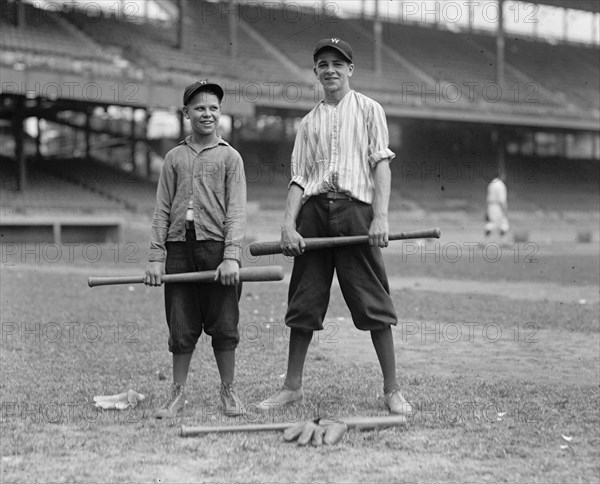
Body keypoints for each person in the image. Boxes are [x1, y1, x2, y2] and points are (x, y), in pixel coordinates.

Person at [258, 38, 411, 415]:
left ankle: (392, 389)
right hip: (314, 215)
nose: (330, 70)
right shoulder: (308, 122)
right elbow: (298, 180)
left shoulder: (370, 110)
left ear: (350, 69)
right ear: (315, 72)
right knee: (305, 299)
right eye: (323, 64)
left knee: (373, 299)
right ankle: (292, 387)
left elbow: (381, 164)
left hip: (356, 211)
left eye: (337, 64)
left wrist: (382, 216)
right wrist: (287, 226)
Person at [144, 80, 247, 419]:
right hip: (179, 249)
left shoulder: (230, 157)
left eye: (214, 108)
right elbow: (161, 209)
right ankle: (177, 393)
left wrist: (231, 256)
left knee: (224, 323)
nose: (207, 114)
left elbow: (236, 211)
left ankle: (228, 391)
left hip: (217, 249)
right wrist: (157, 258)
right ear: (186, 112)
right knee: (181, 324)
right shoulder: (174, 158)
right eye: (200, 108)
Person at [484, 166, 509, 244]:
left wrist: (486, 210)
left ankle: (486, 241)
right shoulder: (500, 185)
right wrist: (505, 210)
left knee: (491, 223)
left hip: (491, 206)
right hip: (498, 206)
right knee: (504, 222)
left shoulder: (491, 184)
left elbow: (487, 198)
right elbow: (502, 200)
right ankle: (503, 241)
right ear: (501, 175)